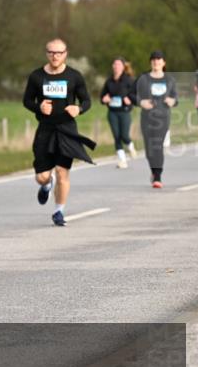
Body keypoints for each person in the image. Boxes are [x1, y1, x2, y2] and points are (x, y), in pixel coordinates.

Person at [22, 38, 95, 226]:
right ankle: (47, 185)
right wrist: (39, 107)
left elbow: (87, 101)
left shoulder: (74, 76)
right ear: (47, 53)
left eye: (59, 53)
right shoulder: (36, 76)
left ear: (65, 54)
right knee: (41, 176)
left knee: (62, 172)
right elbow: (27, 101)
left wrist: (79, 109)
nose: (55, 56)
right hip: (45, 130)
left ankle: (59, 211)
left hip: (66, 130)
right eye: (51, 52)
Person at [136, 50, 178, 188]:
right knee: (149, 148)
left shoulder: (169, 80)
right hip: (146, 117)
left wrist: (172, 101)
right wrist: (141, 102)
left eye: (159, 59)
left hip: (163, 117)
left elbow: (175, 97)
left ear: (163, 63)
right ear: (151, 62)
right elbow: (134, 95)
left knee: (157, 145)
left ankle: (158, 176)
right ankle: (153, 172)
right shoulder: (144, 78)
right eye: (153, 59)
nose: (156, 62)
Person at [99, 57, 137, 168]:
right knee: (116, 137)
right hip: (112, 112)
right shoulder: (109, 81)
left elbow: (135, 95)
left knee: (124, 135)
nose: (116, 66)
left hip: (124, 111)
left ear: (123, 67)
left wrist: (129, 100)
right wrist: (104, 99)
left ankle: (130, 145)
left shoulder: (128, 80)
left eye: (118, 64)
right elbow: (102, 97)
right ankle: (122, 160)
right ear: (112, 66)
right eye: (114, 64)